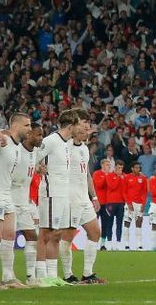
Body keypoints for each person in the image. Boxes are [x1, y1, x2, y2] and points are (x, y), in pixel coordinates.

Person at [0, 112, 30, 289]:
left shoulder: (18, 146)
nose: (30, 129)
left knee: (10, 235)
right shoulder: (1, 140)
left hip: (7, 192)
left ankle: (9, 276)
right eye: (27, 125)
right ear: (15, 126)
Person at [34, 109, 78, 286]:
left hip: (62, 193)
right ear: (70, 126)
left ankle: (52, 276)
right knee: (46, 233)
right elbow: (34, 156)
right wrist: (38, 167)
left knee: (57, 234)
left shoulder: (66, 143)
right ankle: (40, 275)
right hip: (51, 192)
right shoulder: (50, 140)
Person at [64, 110, 103, 283]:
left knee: (95, 232)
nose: (87, 126)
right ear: (73, 124)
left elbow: (86, 174)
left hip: (84, 198)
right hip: (69, 197)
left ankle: (88, 273)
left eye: (88, 122)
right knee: (68, 236)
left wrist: (94, 197)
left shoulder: (84, 148)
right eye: (83, 122)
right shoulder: (64, 145)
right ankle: (68, 275)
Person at [11, 120, 44, 286]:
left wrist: (39, 167)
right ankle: (5, 276)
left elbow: (36, 165)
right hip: (9, 200)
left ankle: (31, 277)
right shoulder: (16, 150)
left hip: (24, 203)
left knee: (32, 237)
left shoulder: (35, 153)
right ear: (29, 134)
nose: (41, 138)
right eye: (38, 134)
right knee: (5, 240)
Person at [123, 160, 148, 250]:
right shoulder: (127, 177)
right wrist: (129, 203)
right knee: (127, 223)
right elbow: (124, 192)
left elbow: (145, 192)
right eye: (136, 168)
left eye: (139, 168)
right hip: (130, 203)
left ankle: (139, 244)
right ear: (132, 168)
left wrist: (143, 204)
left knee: (139, 223)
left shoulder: (143, 178)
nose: (138, 169)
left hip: (139, 204)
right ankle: (126, 244)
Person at [93, 159, 113, 250]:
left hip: (107, 203)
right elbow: (99, 185)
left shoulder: (111, 175)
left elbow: (113, 186)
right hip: (98, 203)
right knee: (94, 224)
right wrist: (106, 176)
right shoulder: (97, 174)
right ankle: (93, 243)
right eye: (107, 164)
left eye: (109, 164)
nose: (108, 166)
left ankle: (103, 244)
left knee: (105, 224)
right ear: (102, 165)